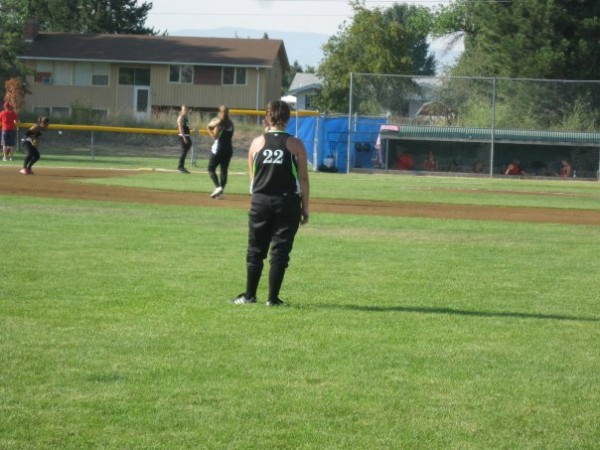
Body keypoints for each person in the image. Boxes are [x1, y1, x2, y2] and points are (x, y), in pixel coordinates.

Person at [231, 100, 310, 306]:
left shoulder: (256, 143)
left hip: (260, 202)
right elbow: (303, 179)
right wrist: (306, 207)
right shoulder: (296, 144)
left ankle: (249, 296)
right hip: (287, 203)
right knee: (280, 251)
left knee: (255, 249)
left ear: (267, 117)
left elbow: (253, 179)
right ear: (287, 118)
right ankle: (272, 299)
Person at [207, 105, 234, 199]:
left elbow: (214, 136)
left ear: (220, 113)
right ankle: (221, 192)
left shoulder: (219, 123)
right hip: (229, 149)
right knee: (224, 171)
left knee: (210, 168)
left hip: (219, 149)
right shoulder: (231, 123)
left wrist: (208, 128)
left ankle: (218, 187)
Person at [176, 105, 191, 174]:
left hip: (187, 136)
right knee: (183, 152)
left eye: (187, 109)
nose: (186, 111)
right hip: (183, 136)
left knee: (185, 152)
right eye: (184, 109)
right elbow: (180, 128)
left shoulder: (186, 117)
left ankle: (182, 167)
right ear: (182, 110)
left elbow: (186, 127)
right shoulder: (181, 117)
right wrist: (184, 137)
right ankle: (179, 167)